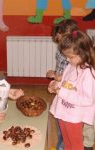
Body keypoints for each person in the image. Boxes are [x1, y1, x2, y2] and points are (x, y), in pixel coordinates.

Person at [49, 30, 95, 150]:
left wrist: (62, 92)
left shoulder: (88, 74)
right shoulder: (71, 65)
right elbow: (66, 84)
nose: (68, 60)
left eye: (71, 57)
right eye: (66, 57)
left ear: (83, 53)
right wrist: (55, 85)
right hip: (64, 112)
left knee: (75, 145)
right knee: (66, 142)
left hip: (74, 116)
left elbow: (87, 100)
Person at [46, 19, 78, 150]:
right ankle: (61, 145)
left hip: (70, 95)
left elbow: (73, 76)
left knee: (68, 128)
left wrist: (59, 78)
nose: (60, 44)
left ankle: (62, 146)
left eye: (61, 40)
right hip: (61, 89)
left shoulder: (77, 55)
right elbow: (62, 69)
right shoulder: (62, 50)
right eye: (58, 42)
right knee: (60, 122)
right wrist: (55, 76)